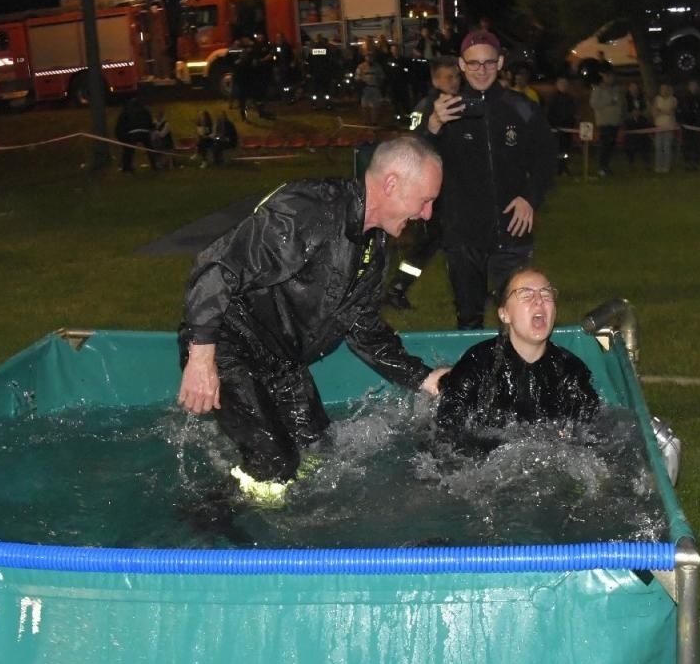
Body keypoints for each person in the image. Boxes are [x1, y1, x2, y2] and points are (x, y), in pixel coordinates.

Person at [177, 135, 451, 502]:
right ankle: (207, 521)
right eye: (426, 200)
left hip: (281, 361)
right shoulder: (309, 211)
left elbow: (362, 326)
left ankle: (274, 503)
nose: (428, 213)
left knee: (319, 452)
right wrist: (201, 358)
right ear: (391, 184)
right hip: (229, 345)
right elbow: (218, 267)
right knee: (276, 462)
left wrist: (424, 378)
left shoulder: (375, 247)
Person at [418, 29, 554, 330]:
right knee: (469, 320)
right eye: (474, 63)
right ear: (462, 65)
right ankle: (475, 377)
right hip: (463, 234)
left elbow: (546, 160)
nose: (482, 70)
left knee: (518, 319)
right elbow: (420, 159)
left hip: (512, 231)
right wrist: (433, 126)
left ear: (501, 62)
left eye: (489, 63)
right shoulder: (445, 109)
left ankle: (516, 376)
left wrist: (530, 198)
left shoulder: (521, 107)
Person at [435, 268, 601, 453]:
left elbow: (591, 435)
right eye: (526, 294)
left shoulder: (571, 372)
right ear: (504, 314)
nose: (539, 300)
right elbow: (446, 432)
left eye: (546, 294)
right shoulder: (478, 363)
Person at [387, 55, 461, 310]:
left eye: (456, 76)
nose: (454, 81)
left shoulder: (456, 104)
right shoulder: (428, 107)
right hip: (437, 189)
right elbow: (416, 142)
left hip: (452, 185)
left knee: (444, 241)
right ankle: (398, 286)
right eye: (448, 77)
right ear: (435, 79)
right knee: (432, 242)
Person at [588, 70, 623, 176]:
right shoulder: (598, 90)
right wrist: (609, 101)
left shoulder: (616, 90)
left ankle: (606, 166)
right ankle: (602, 167)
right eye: (608, 77)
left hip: (614, 122)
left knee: (610, 146)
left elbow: (620, 103)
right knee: (605, 146)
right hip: (605, 122)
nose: (611, 79)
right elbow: (594, 104)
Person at [676, 79, 700, 171]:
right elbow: (679, 111)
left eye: (695, 86)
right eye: (692, 86)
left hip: (699, 125)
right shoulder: (684, 98)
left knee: (697, 144)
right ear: (689, 87)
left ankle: (696, 163)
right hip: (687, 125)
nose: (694, 88)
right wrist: (681, 121)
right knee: (687, 145)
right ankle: (688, 163)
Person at [545, 76, 578, 176]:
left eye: (565, 84)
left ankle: (564, 167)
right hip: (557, 129)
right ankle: (556, 168)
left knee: (566, 150)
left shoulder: (570, 98)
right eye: (562, 84)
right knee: (557, 150)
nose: (564, 86)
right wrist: (554, 125)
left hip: (568, 129)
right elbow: (550, 113)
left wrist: (572, 123)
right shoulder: (553, 98)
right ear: (557, 85)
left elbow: (573, 112)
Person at [114, 95, 154, 173]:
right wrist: (149, 129)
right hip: (144, 132)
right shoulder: (145, 110)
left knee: (128, 150)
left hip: (132, 133)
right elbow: (150, 122)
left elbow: (120, 126)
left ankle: (127, 167)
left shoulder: (126, 112)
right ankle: (155, 164)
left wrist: (122, 138)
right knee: (150, 149)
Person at [622, 80, 652, 170]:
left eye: (635, 88)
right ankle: (631, 163)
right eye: (632, 88)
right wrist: (631, 114)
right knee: (630, 145)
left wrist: (641, 113)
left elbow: (647, 109)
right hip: (630, 122)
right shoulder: (625, 98)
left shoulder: (643, 98)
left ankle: (646, 163)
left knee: (644, 144)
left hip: (642, 123)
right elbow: (622, 110)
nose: (634, 90)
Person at [651, 82, 678, 174]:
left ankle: (666, 166)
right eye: (662, 89)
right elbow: (654, 113)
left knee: (667, 147)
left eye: (666, 88)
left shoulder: (673, 99)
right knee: (658, 147)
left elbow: (671, 111)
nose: (664, 90)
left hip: (669, 126)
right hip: (659, 126)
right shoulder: (657, 99)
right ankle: (658, 166)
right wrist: (663, 111)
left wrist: (660, 111)